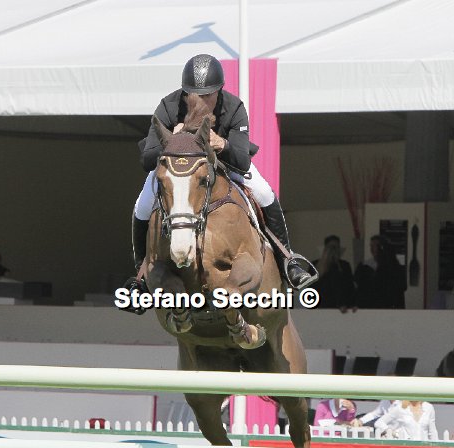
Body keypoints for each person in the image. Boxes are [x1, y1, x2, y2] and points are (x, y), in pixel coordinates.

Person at [124, 54, 317, 311]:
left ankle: (287, 261)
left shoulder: (234, 107)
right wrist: (173, 138)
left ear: (219, 91)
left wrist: (222, 144)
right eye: (193, 95)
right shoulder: (168, 106)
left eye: (207, 95)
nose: (200, 101)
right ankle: (141, 277)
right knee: (142, 204)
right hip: (178, 170)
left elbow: (243, 160)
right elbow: (147, 159)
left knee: (264, 192)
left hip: (225, 164)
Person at [355, 236, 406, 309]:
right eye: (371, 246)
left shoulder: (393, 267)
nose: (372, 249)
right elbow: (360, 289)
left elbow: (398, 291)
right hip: (369, 307)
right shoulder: (364, 266)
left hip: (387, 307)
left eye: (375, 246)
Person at [312, 235, 355, 310]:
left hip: (341, 308)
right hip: (322, 307)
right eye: (331, 247)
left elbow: (349, 287)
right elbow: (312, 287)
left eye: (336, 247)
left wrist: (350, 304)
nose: (333, 250)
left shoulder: (344, 266)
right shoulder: (315, 266)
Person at [373, 400, 438, 441]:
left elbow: (433, 432)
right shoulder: (400, 407)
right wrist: (393, 433)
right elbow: (379, 423)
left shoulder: (429, 407)